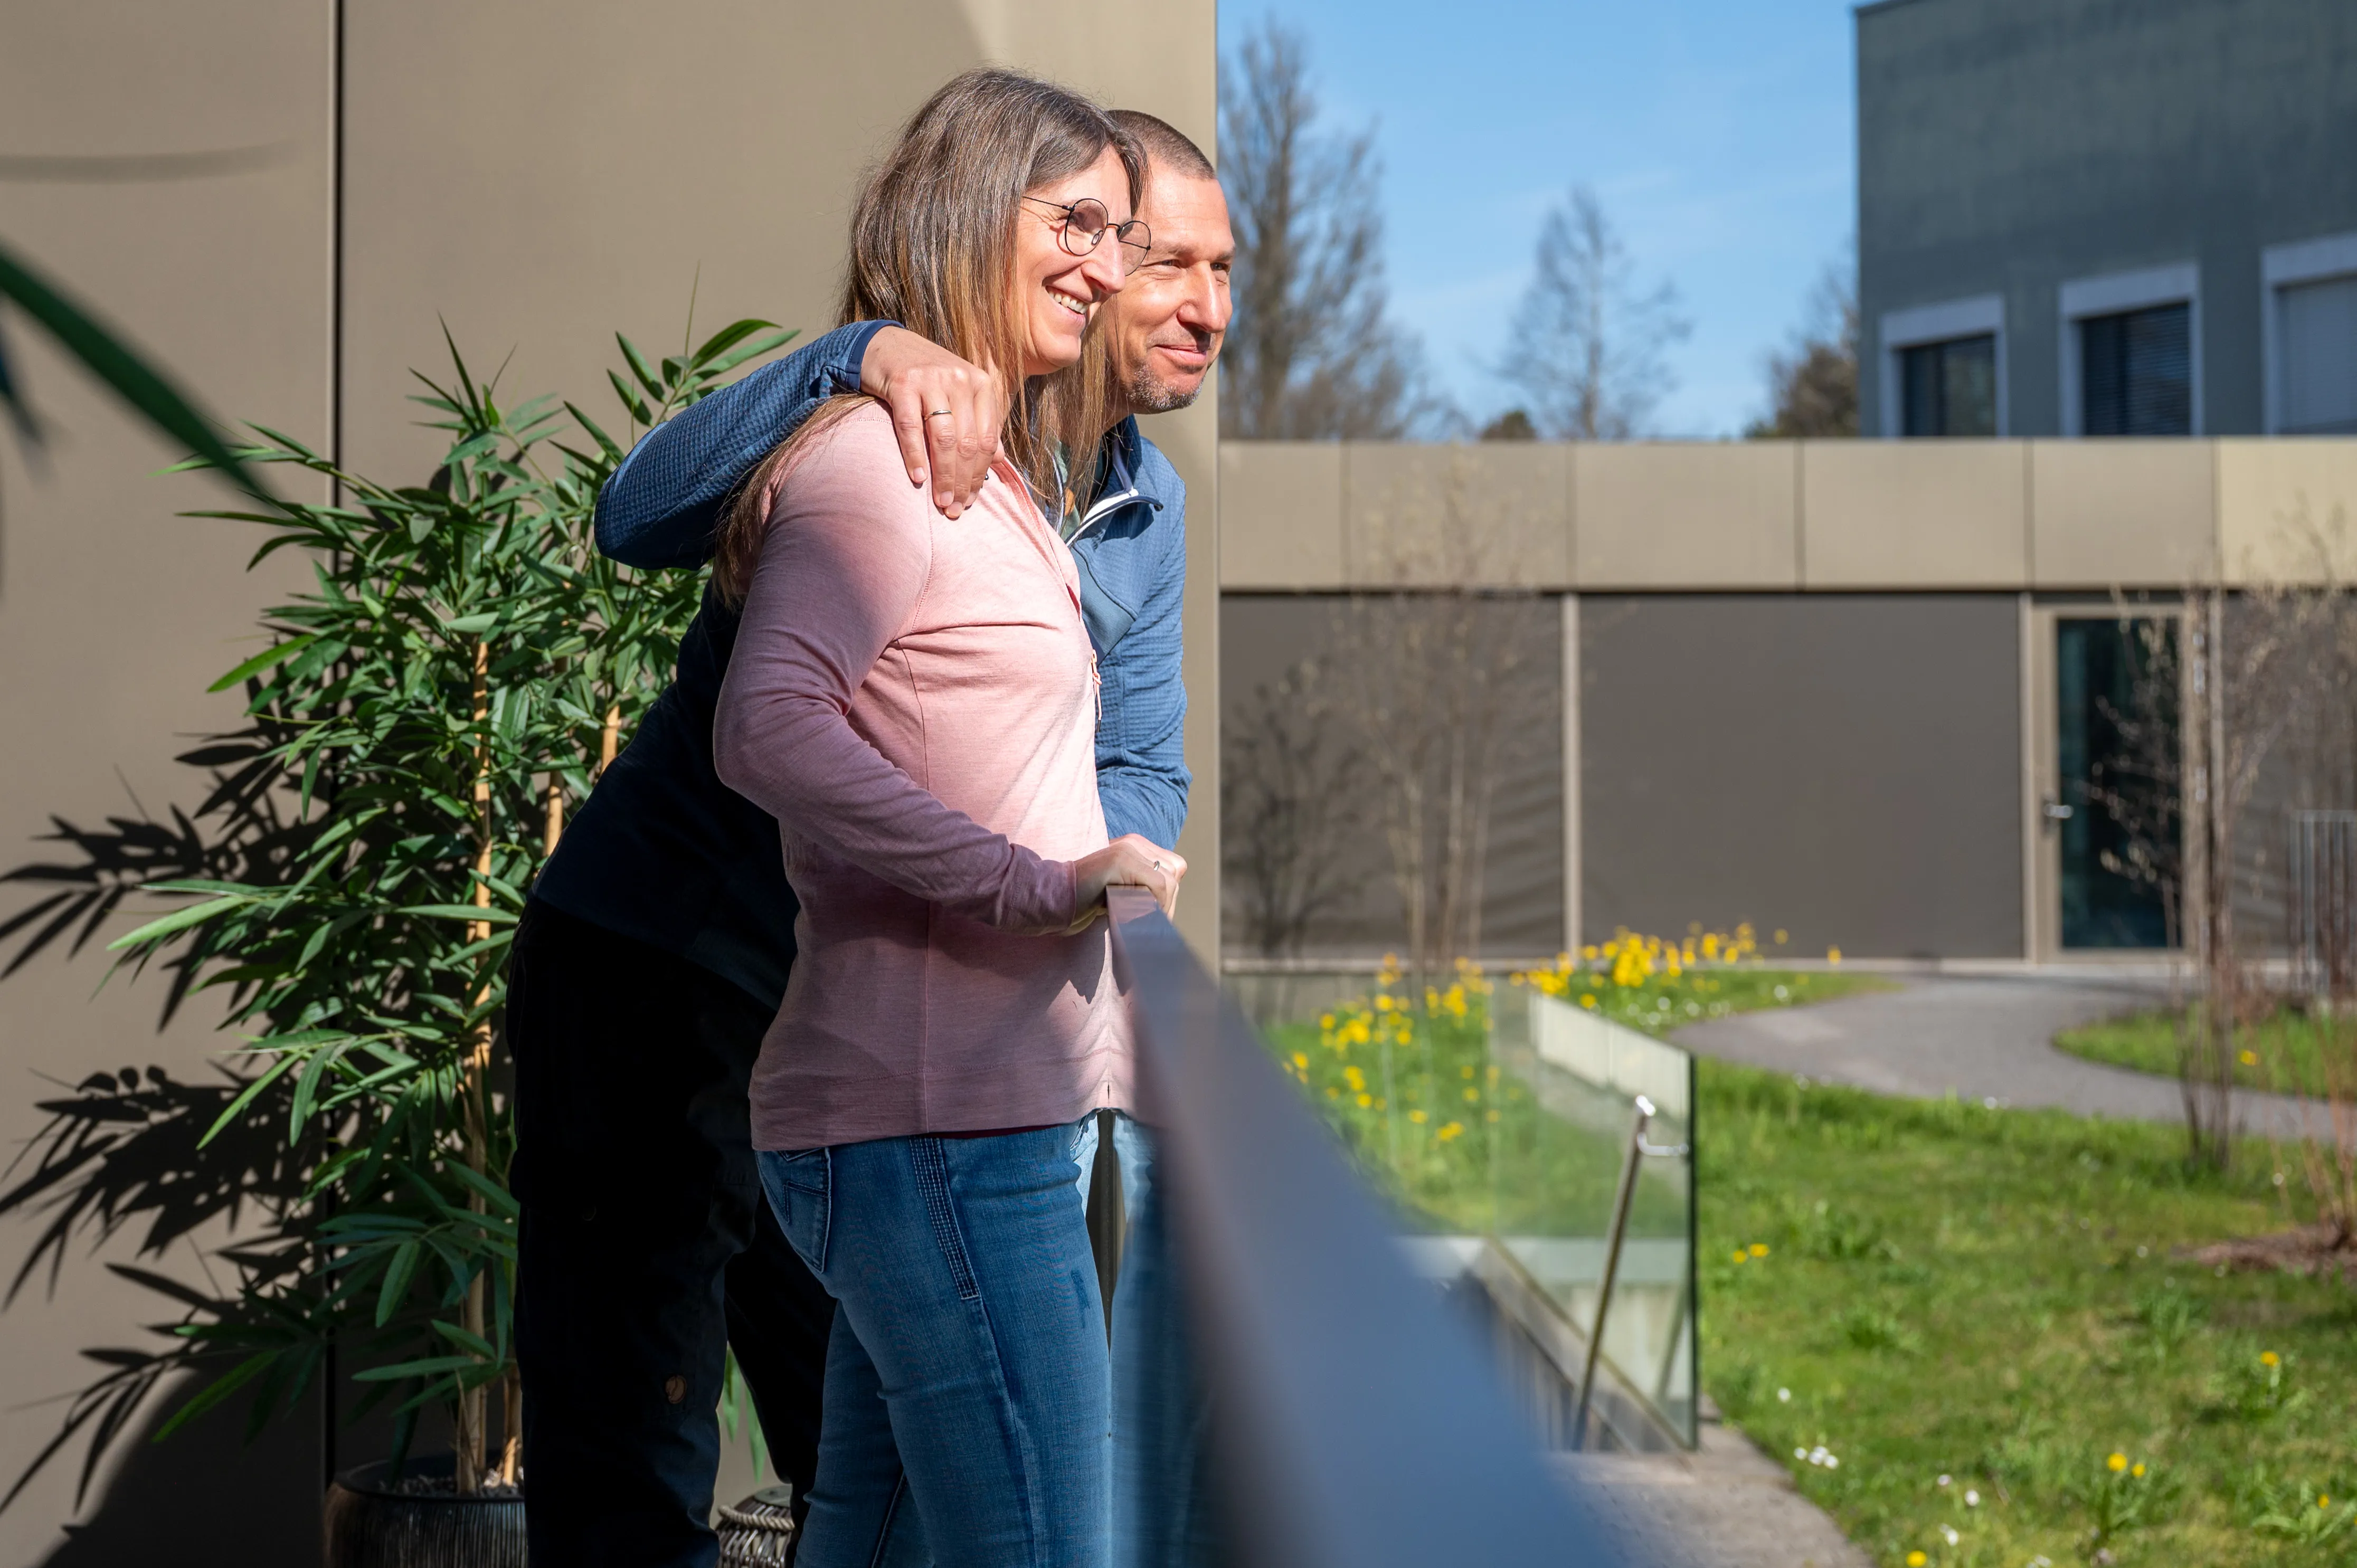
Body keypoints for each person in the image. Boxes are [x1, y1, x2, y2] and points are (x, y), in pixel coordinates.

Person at [508, 84, 1228, 1568]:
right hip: (676, 956)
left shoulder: (1135, 511)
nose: (1196, 302)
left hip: (887, 1027)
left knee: (872, 1465)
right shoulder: (885, 428)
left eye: (1220, 271)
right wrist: (856, 353)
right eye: (1155, 251)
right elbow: (645, 527)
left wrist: (1088, 932)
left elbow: (1136, 772)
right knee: (632, 1427)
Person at [706, 70, 1180, 1567]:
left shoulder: (995, 476)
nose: (1110, 267)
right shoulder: (875, 461)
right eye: (1078, 222)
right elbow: (766, 725)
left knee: (877, 1534)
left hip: (981, 1118)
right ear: (974, 212)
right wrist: (1021, 883)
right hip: (933, 1132)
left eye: (1123, 231)